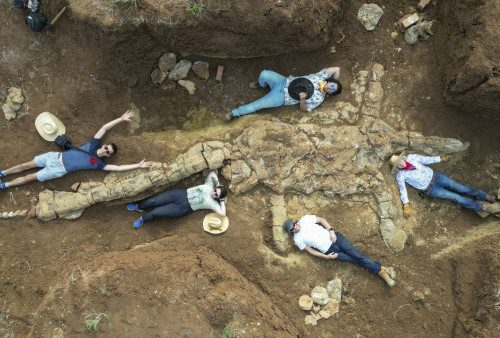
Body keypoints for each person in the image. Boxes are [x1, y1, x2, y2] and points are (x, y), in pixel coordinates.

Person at [0, 110, 152, 190]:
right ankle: (3, 173)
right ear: (103, 145)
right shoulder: (93, 144)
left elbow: (118, 168)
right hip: (54, 157)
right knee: (26, 165)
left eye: (108, 152)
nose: (106, 150)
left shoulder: (99, 164)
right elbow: (104, 128)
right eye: (107, 147)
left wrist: (137, 165)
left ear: (108, 155)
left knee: (30, 177)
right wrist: (120, 119)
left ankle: (6, 185)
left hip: (58, 170)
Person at [283, 215, 396, 287]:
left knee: (359, 256)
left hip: (336, 239)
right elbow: (310, 251)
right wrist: (326, 257)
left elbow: (322, 220)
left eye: (293, 225)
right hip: (329, 251)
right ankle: (384, 269)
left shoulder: (305, 219)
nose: (294, 228)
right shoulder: (297, 239)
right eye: (292, 229)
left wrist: (331, 231)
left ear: (294, 222)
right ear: (291, 232)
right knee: (355, 260)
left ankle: (381, 272)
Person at [390, 153, 500, 217]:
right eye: (398, 164)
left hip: (438, 177)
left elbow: (426, 160)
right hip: (432, 189)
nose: (401, 163)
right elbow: (402, 189)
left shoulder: (411, 157)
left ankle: (485, 196)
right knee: (456, 198)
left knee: (461, 188)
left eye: (400, 160)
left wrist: (440, 159)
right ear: (397, 167)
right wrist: (406, 204)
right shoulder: (401, 175)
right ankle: (482, 207)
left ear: (402, 158)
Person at [224, 67, 342, 121]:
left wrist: (302, 100)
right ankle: (261, 85)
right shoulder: (321, 77)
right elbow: (336, 69)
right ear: (330, 81)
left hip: (283, 97)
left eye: (332, 90)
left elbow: (305, 110)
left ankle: (234, 113)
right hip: (283, 81)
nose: (330, 87)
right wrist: (336, 81)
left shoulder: (319, 99)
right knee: (264, 74)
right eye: (332, 85)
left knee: (257, 105)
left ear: (330, 94)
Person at [127, 171, 227, 229]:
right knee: (154, 201)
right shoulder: (209, 185)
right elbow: (213, 174)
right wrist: (218, 184)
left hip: (183, 208)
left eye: (216, 195)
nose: (213, 193)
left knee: (157, 212)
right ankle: (139, 206)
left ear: (218, 198)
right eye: (215, 190)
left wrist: (222, 201)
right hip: (180, 194)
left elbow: (222, 213)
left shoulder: (213, 204)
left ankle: (143, 219)